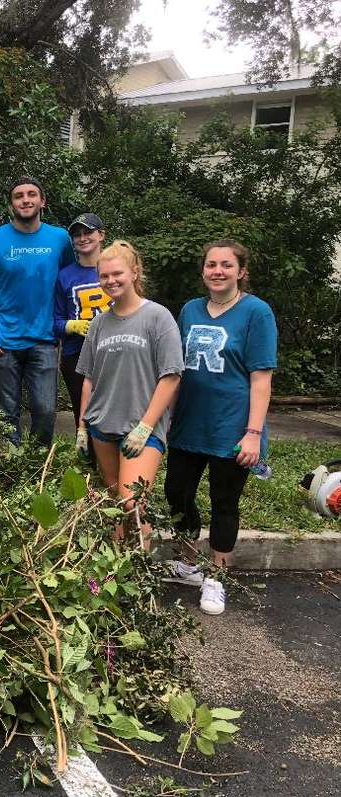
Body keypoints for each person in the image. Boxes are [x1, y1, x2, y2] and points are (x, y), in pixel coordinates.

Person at [163, 240, 277, 616]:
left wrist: (254, 433)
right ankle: (188, 563)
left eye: (226, 265)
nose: (217, 271)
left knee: (223, 502)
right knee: (177, 493)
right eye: (211, 265)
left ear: (241, 271)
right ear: (203, 271)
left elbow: (261, 379)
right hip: (189, 421)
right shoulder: (191, 310)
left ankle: (217, 576)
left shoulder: (256, 312)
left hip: (232, 426)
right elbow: (177, 368)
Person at [75, 241, 183, 548]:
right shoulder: (98, 323)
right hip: (102, 425)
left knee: (132, 504)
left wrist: (147, 425)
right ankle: (117, 574)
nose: (110, 281)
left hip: (142, 428)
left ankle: (138, 574)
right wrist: (83, 427)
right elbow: (88, 379)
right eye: (104, 276)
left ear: (134, 272)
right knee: (112, 502)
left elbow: (171, 375)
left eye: (117, 273)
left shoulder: (157, 317)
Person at [0, 176, 75, 446]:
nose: (25, 200)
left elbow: (70, 282)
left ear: (42, 201)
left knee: (46, 410)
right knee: (5, 412)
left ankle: (37, 464)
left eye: (31, 194)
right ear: (11, 204)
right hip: (3, 339)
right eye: (18, 196)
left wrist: (66, 328)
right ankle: (9, 465)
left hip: (45, 338)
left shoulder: (60, 238)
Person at [53, 213, 110, 433]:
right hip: (77, 355)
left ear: (101, 234)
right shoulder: (65, 276)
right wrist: (72, 325)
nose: (82, 238)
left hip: (115, 351)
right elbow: (54, 321)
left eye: (88, 232)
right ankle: (89, 463)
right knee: (84, 414)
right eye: (77, 235)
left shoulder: (115, 269)